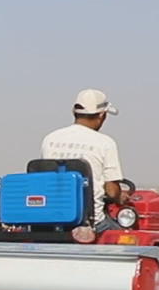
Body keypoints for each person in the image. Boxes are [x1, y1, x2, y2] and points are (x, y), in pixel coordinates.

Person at [40, 88, 126, 226]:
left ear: (74, 112)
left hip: (51, 219)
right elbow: (111, 191)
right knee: (127, 237)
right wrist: (120, 198)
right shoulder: (105, 143)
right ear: (102, 115)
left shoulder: (50, 139)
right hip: (90, 222)